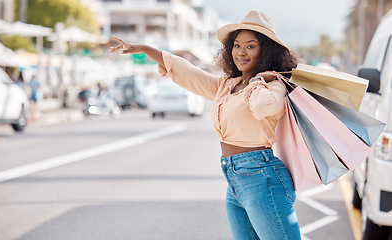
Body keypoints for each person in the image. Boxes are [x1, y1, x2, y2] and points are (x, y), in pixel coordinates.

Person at [110, 10, 301, 240]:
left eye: (251, 46)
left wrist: (259, 79)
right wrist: (147, 49)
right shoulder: (227, 85)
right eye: (237, 45)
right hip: (234, 181)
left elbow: (261, 108)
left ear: (266, 50)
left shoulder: (274, 86)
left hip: (263, 179)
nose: (241, 52)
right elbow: (189, 73)